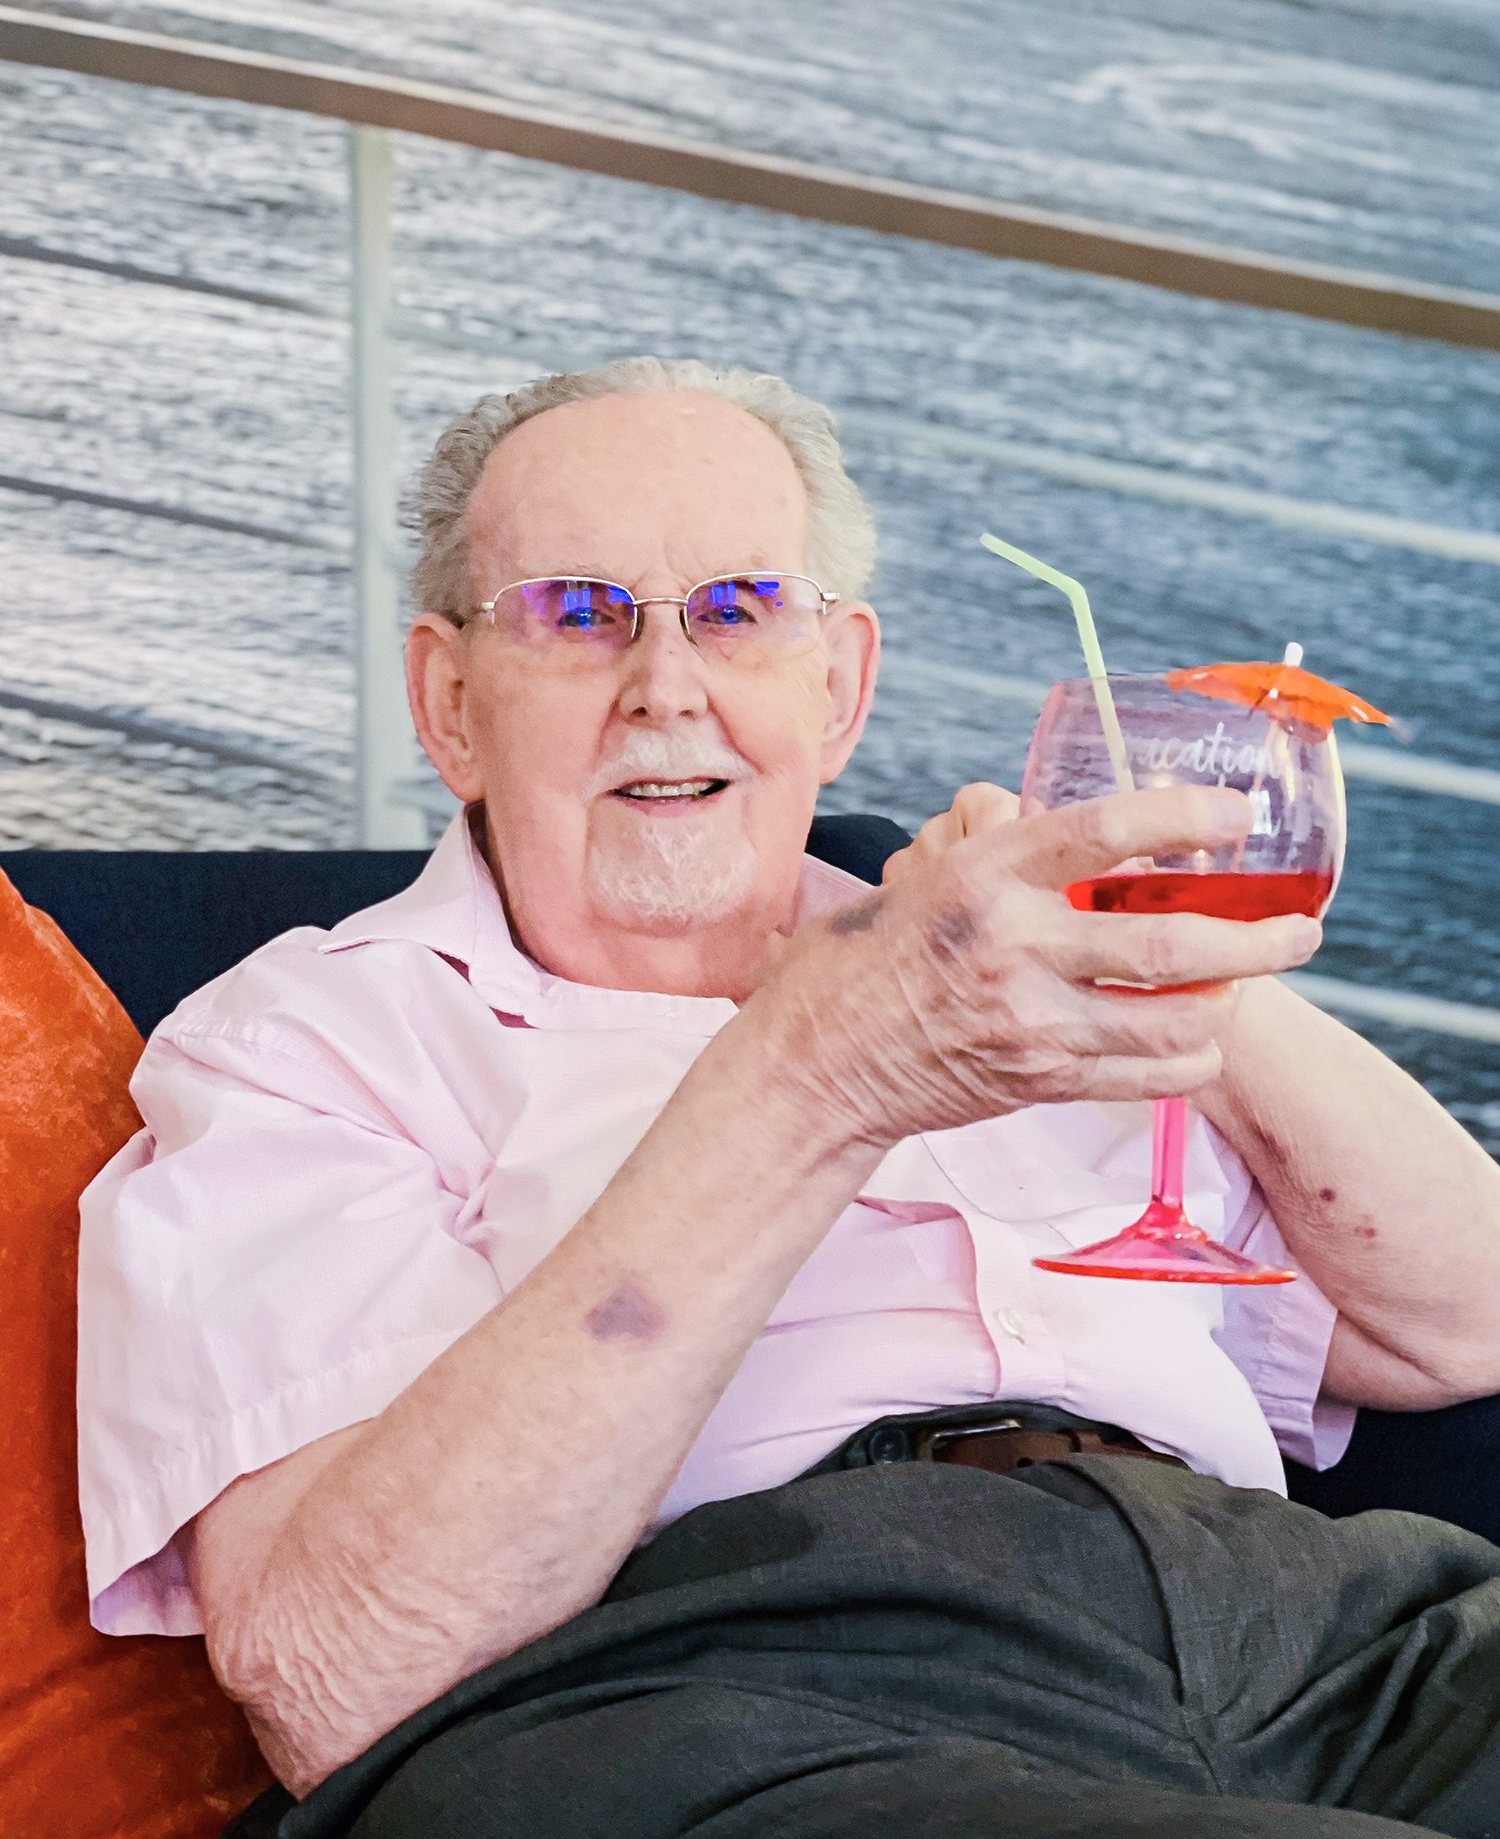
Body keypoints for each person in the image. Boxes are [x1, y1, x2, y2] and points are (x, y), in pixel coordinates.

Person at [77, 357, 1500, 1839]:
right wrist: (819, 1070)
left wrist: (1171, 950)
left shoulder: (999, 961)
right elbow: (337, 1669)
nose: (666, 687)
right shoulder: (307, 1041)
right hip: (750, 1681)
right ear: (450, 705)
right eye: (577, 614)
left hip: (1318, 1631)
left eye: (741, 611)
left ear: (839, 688)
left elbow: (1462, 1321)